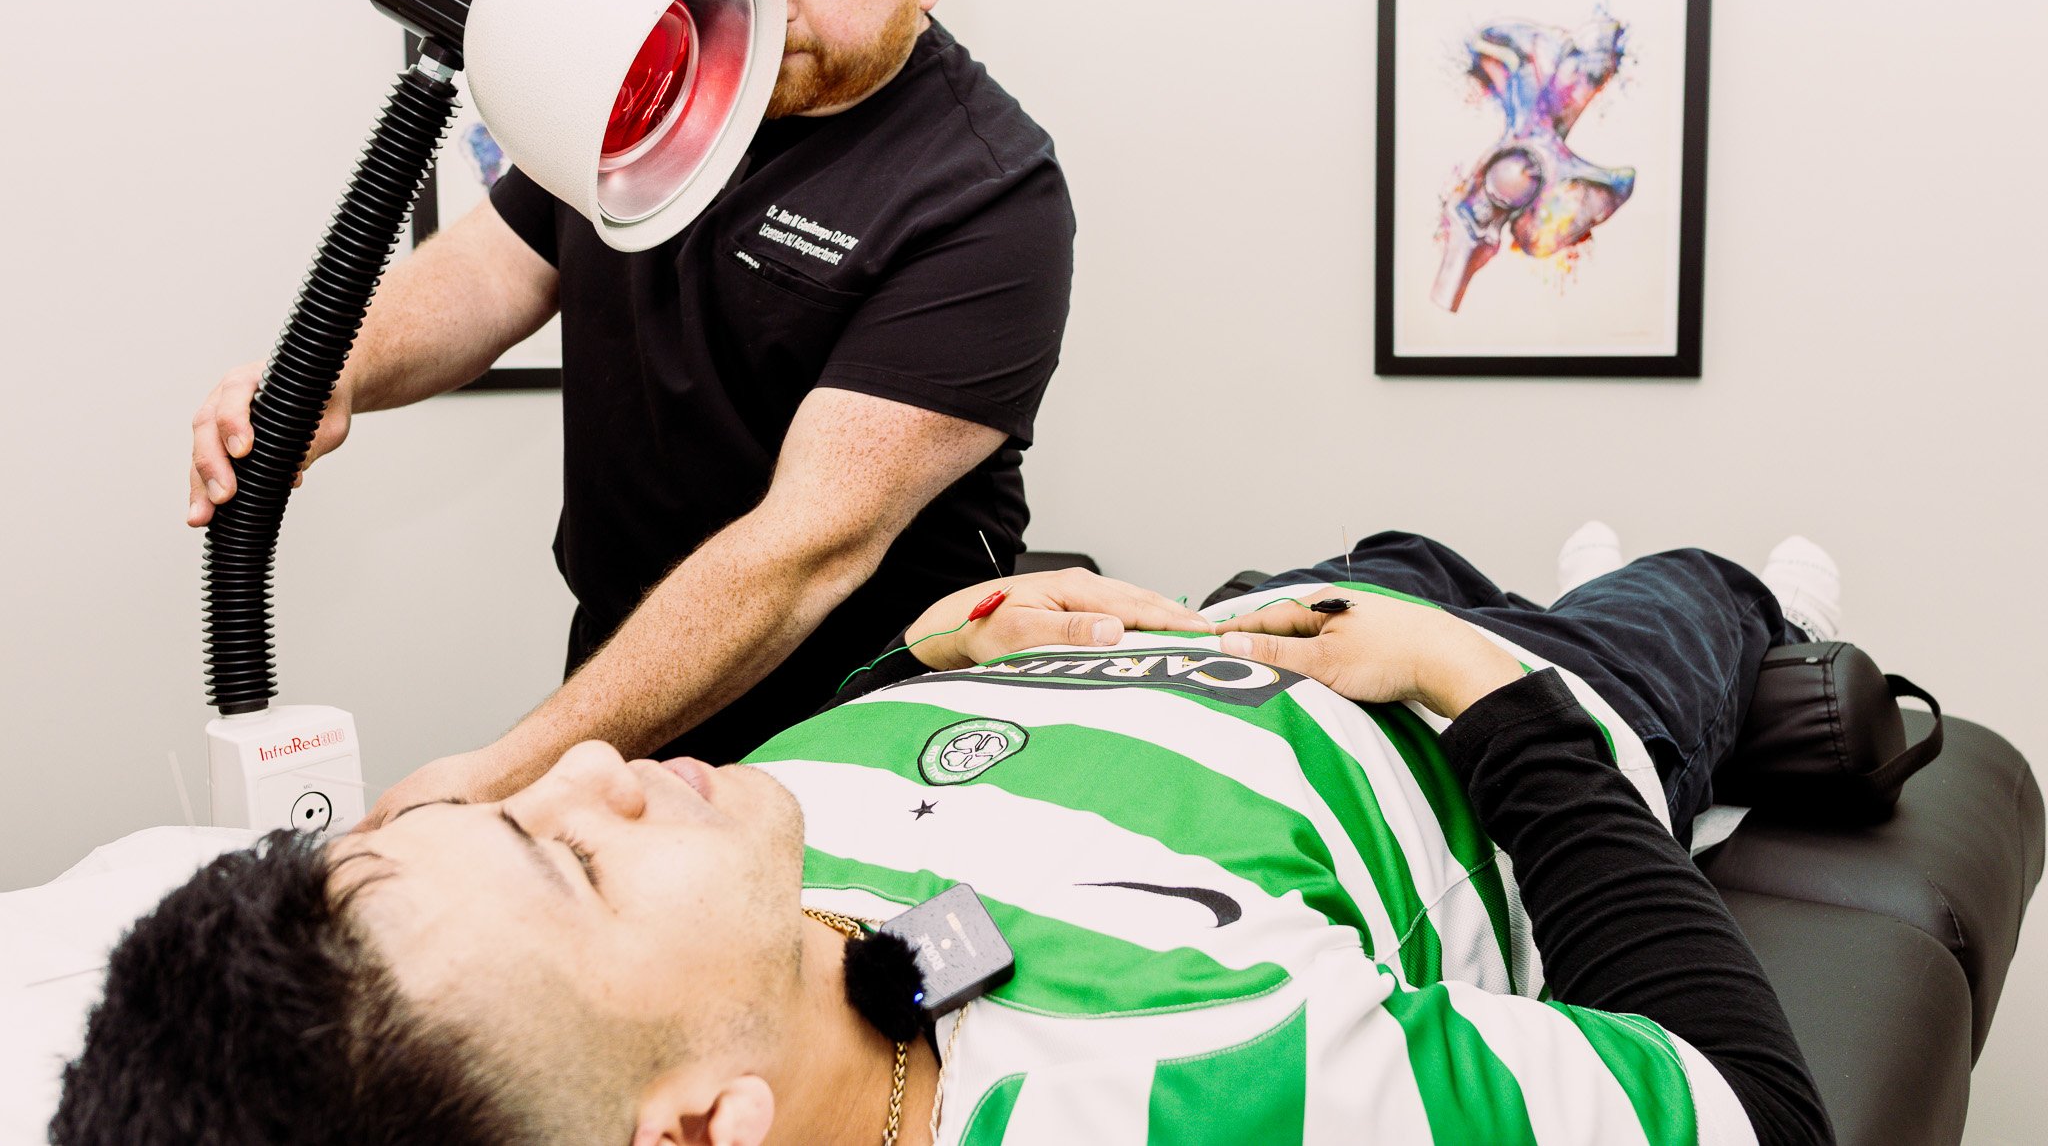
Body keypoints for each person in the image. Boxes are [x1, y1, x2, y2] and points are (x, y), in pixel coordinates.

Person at [56, 527, 1836, 1145]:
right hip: (1448, 709)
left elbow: (737, 794)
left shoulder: (701, 941)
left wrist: (902, 654)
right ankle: (1751, 606)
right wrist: (1476, 684)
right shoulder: (1200, 1088)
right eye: (566, 854)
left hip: (1214, 620)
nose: (594, 768)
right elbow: (1748, 1108)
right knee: (1685, 596)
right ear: (692, 1132)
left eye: (499, 804)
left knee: (1394, 538)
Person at [185, 0, 1077, 815]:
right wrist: (331, 374)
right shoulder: (660, 58)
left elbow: (803, 550)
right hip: (630, 686)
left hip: (865, 736)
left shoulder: (986, 198)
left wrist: (497, 776)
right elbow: (495, 266)